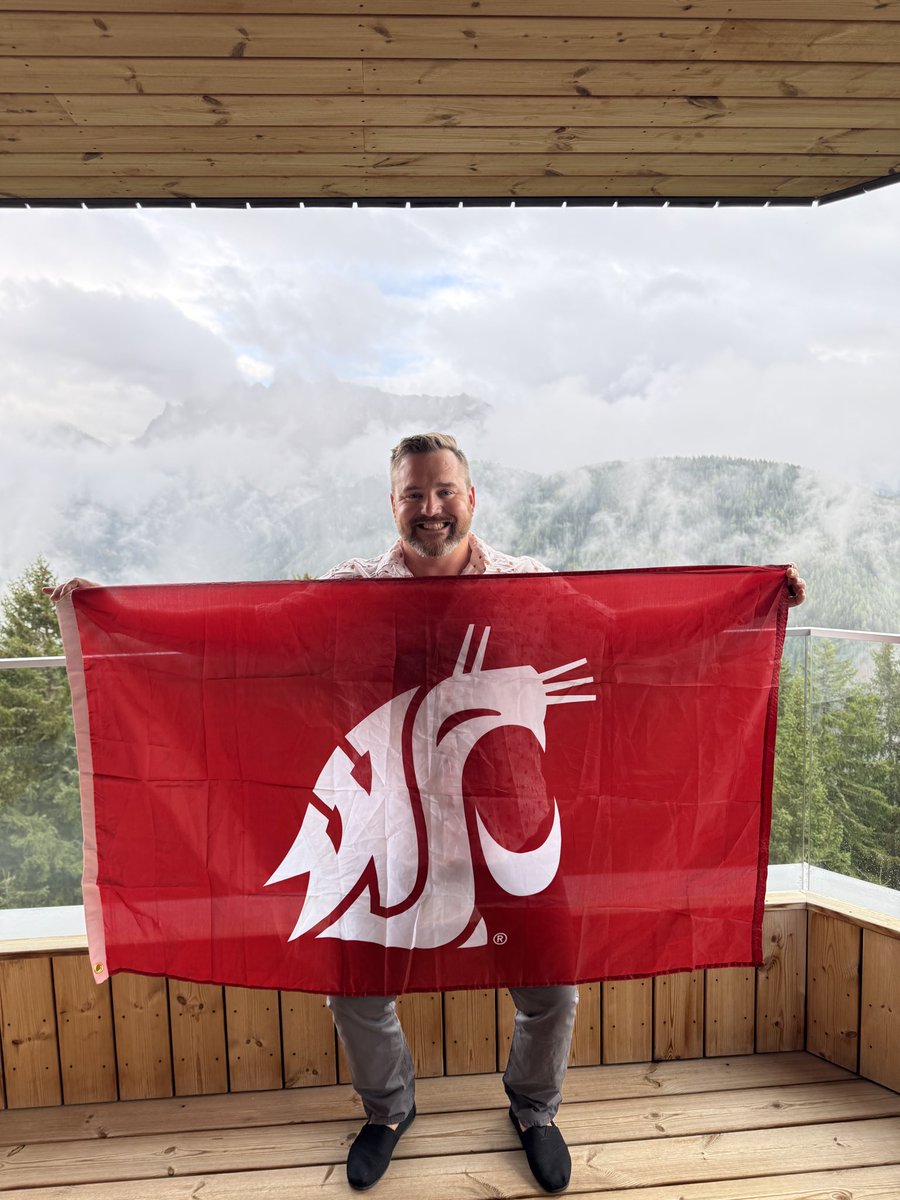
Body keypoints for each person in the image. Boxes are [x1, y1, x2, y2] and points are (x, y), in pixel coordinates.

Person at [51, 431, 807, 1194]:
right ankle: (388, 1110)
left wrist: (748, 604)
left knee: (552, 987)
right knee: (356, 989)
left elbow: (621, 634)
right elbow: (250, 631)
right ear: (393, 506)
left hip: (509, 822)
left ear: (472, 498)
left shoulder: (525, 585)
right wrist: (109, 614)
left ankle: (535, 1109)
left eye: (444, 491)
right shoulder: (355, 589)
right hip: (391, 824)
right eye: (414, 494)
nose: (431, 508)